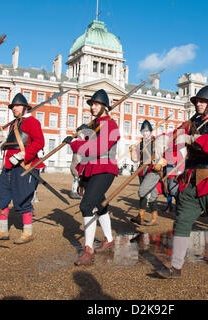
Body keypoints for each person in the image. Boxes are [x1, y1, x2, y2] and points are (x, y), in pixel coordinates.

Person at [156, 85, 208, 278]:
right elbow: (176, 136)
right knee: (182, 221)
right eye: (196, 101)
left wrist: (194, 139)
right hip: (191, 179)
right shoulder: (192, 122)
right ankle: (175, 267)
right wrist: (162, 141)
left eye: (202, 101)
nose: (198, 104)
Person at [65, 89, 120, 265]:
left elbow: (98, 148)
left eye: (96, 104)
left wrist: (75, 144)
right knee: (99, 203)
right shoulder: (93, 125)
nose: (93, 107)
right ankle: (109, 239)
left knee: (86, 205)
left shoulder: (111, 126)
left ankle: (88, 250)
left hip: (105, 169)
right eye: (91, 104)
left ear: (104, 106)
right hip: (91, 169)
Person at [0, 93, 45, 245]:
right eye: (13, 107)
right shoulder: (14, 124)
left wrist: (22, 155)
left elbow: (39, 142)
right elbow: (11, 145)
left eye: (17, 106)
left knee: (23, 197)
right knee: (1, 196)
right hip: (8, 166)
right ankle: (2, 230)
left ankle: (27, 232)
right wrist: (0, 139)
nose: (14, 109)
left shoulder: (32, 122)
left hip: (24, 166)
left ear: (25, 107)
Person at [129, 120, 166, 226]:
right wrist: (132, 151)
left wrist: (160, 164)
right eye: (143, 131)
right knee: (152, 194)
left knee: (143, 191)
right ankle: (151, 218)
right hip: (142, 170)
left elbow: (163, 156)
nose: (145, 133)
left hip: (153, 170)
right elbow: (135, 160)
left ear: (150, 131)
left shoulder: (156, 142)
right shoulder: (140, 144)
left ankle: (141, 216)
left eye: (147, 131)